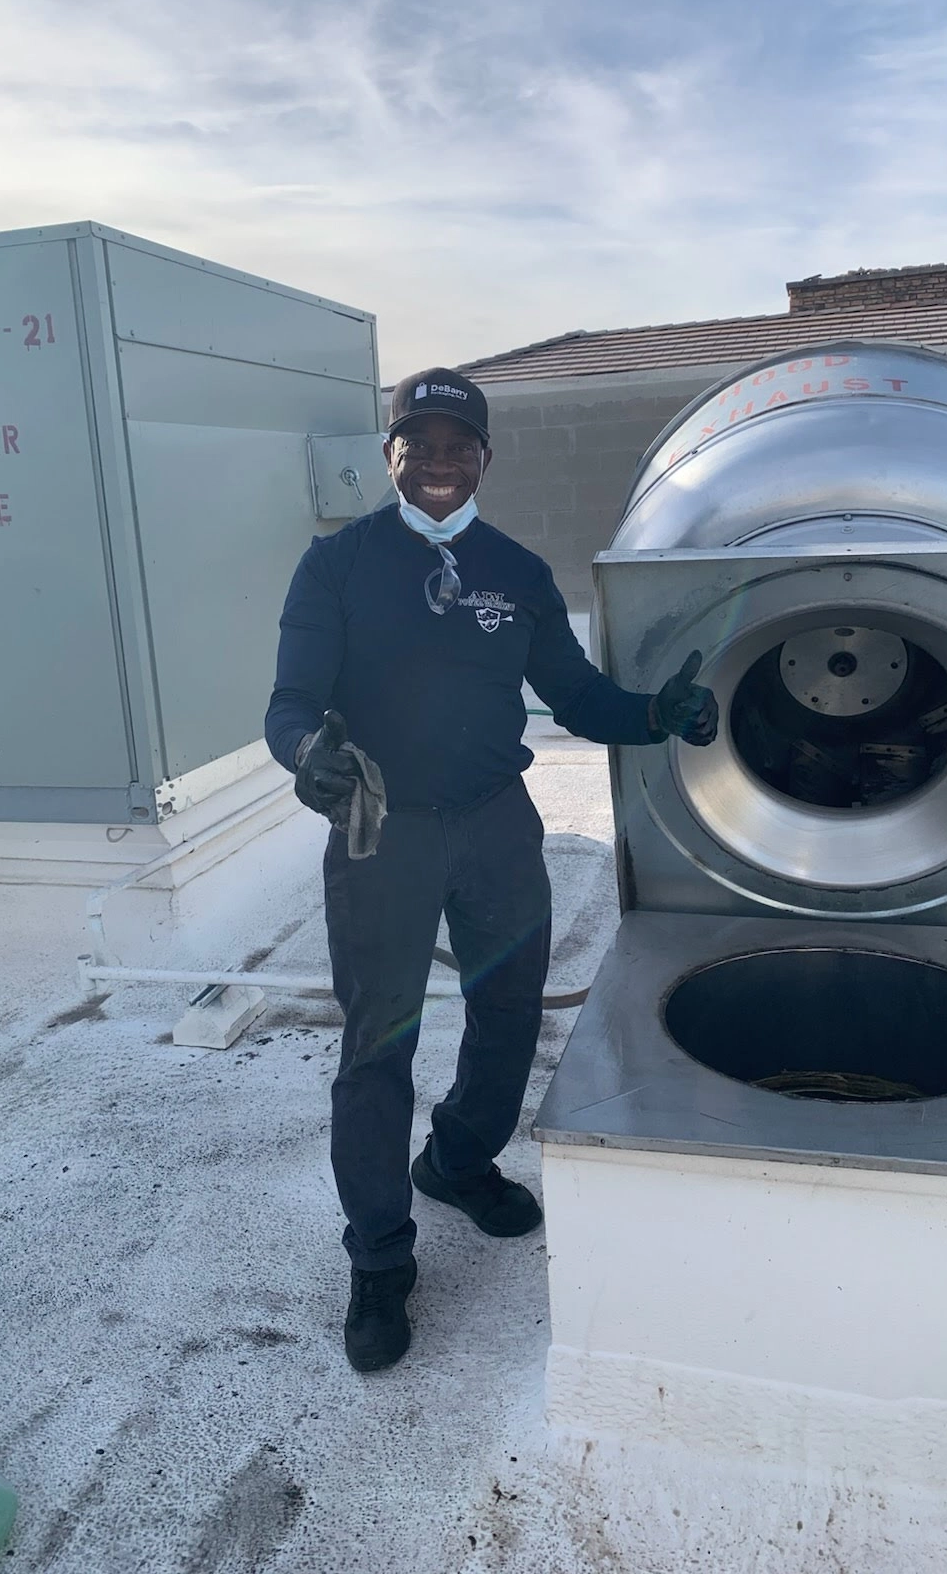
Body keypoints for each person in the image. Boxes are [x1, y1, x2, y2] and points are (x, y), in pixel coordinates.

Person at [265, 368, 718, 1372]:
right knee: (378, 1050)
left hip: (496, 825)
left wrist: (655, 714)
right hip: (381, 831)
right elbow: (289, 702)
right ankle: (380, 1258)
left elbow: (576, 695)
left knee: (511, 1008)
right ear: (389, 455)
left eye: (456, 444)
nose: (435, 461)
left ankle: (460, 1157)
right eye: (415, 444)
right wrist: (309, 757)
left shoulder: (515, 570)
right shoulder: (336, 567)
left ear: (483, 458)